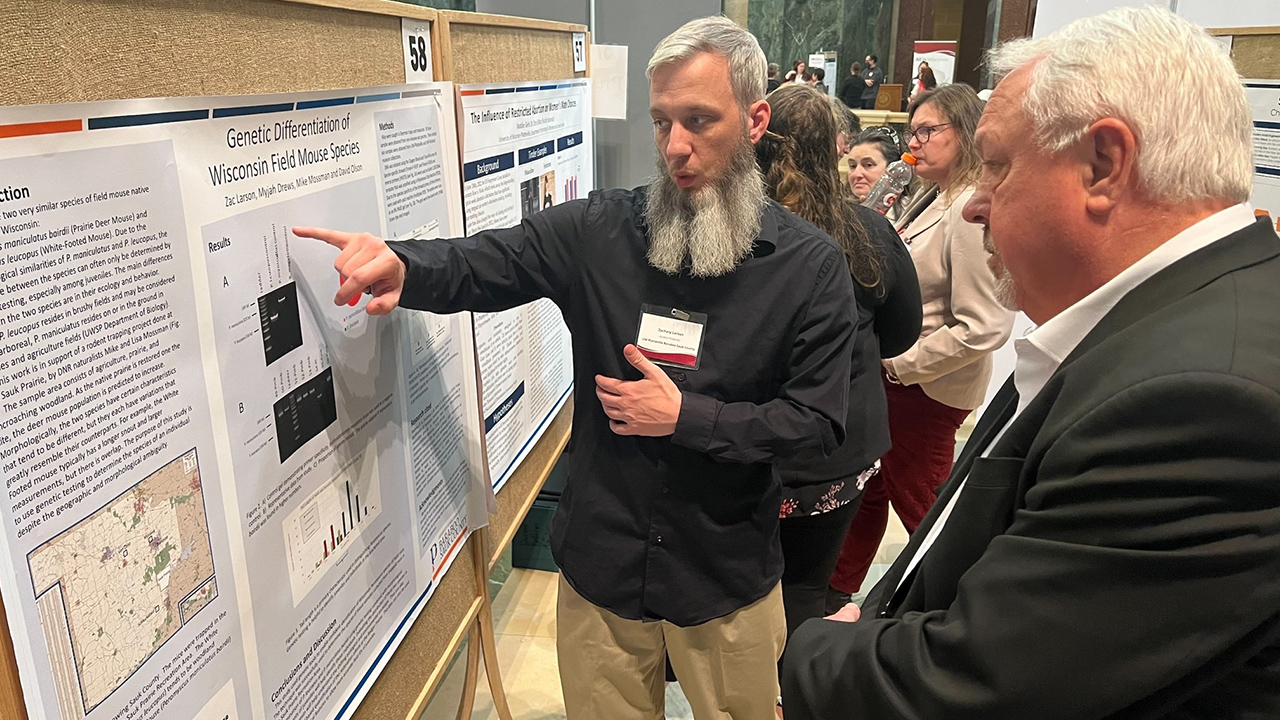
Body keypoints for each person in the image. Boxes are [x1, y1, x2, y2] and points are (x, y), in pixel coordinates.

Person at [295, 16, 859, 720]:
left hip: (725, 581)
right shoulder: (602, 232)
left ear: (755, 119)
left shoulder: (809, 270)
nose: (675, 148)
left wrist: (687, 418)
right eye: (660, 123)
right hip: (603, 573)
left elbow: (815, 428)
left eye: (698, 121)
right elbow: (488, 261)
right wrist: (403, 263)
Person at [783, 7, 1280, 718]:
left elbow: (982, 684)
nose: (978, 203)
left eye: (996, 166)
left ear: (1105, 165)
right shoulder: (1170, 320)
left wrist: (809, 653)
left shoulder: (1204, 403)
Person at [827, 82, 1014, 607]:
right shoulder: (932, 193)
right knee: (868, 491)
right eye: (913, 132)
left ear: (968, 133)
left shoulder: (969, 213)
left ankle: (953, 606)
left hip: (925, 388)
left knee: (924, 504)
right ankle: (838, 591)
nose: (916, 143)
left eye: (928, 131)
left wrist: (901, 365)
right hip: (900, 380)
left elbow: (986, 325)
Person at [756, 83, 922, 655]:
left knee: (736, 582)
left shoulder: (731, 231)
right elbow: (901, 333)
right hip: (837, 449)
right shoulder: (868, 233)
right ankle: (792, 692)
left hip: (745, 444)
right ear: (836, 154)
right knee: (806, 583)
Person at [846, 126, 912, 221]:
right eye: (852, 166)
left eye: (868, 165)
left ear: (894, 169)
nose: (856, 174)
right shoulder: (836, 210)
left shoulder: (910, 214)